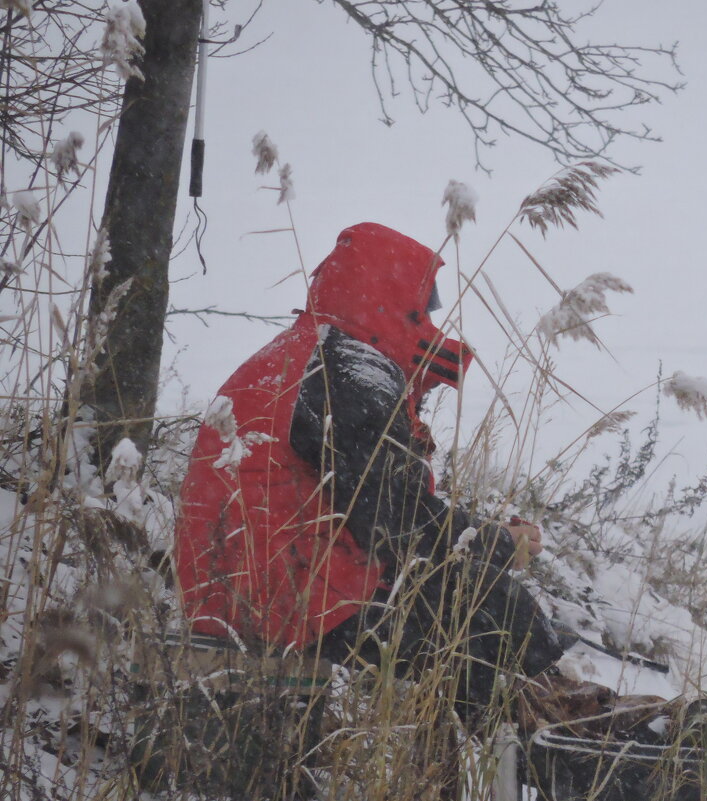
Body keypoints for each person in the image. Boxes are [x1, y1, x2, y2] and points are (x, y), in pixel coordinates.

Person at [174, 222, 562, 720]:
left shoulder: (303, 353)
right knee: (492, 611)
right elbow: (395, 519)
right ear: (389, 300)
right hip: (290, 601)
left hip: (240, 589)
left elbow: (376, 505)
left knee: (470, 598)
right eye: (423, 307)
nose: (430, 321)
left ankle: (515, 735)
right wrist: (498, 544)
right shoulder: (350, 370)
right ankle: (553, 747)